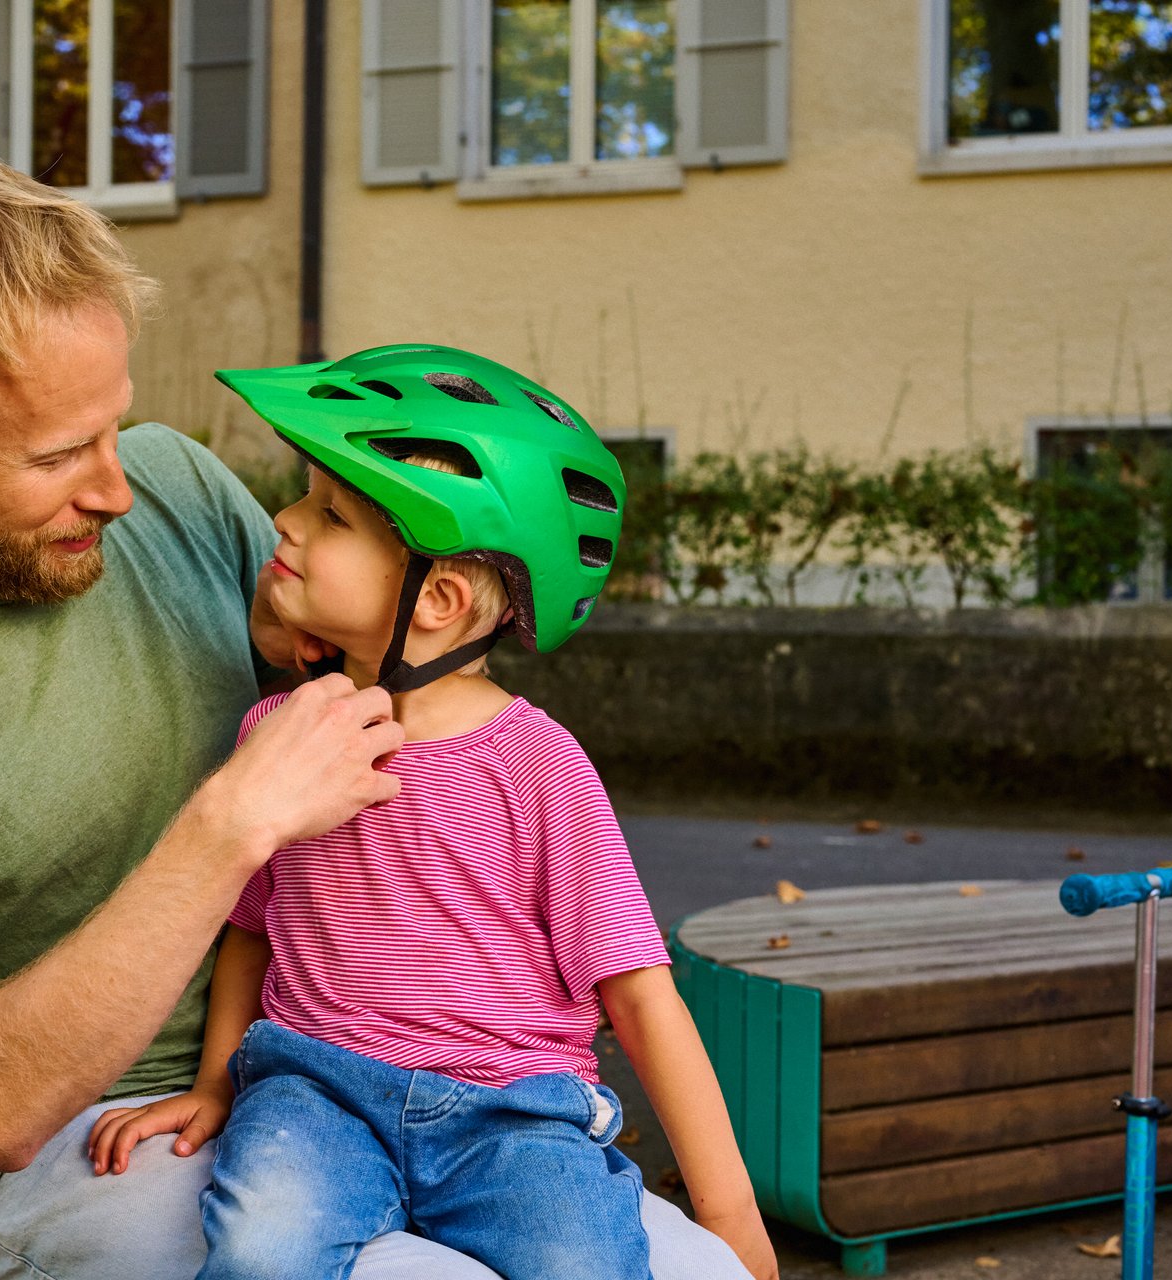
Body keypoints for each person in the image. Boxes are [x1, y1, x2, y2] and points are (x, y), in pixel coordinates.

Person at [0, 153, 748, 1280]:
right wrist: (229, 825)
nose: (117, 489)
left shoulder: (172, 489)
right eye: (61, 454)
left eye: (115, 426)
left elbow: (379, 643)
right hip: (95, 1131)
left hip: (388, 1081)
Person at [84, 345, 779, 1280]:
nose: (283, 521)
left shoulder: (537, 764)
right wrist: (217, 1085)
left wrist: (731, 1214)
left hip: (515, 1116)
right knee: (259, 1247)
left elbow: (639, 995)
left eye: (329, 514)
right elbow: (249, 927)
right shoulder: (281, 730)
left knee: (592, 1266)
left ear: (440, 600)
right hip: (315, 1093)